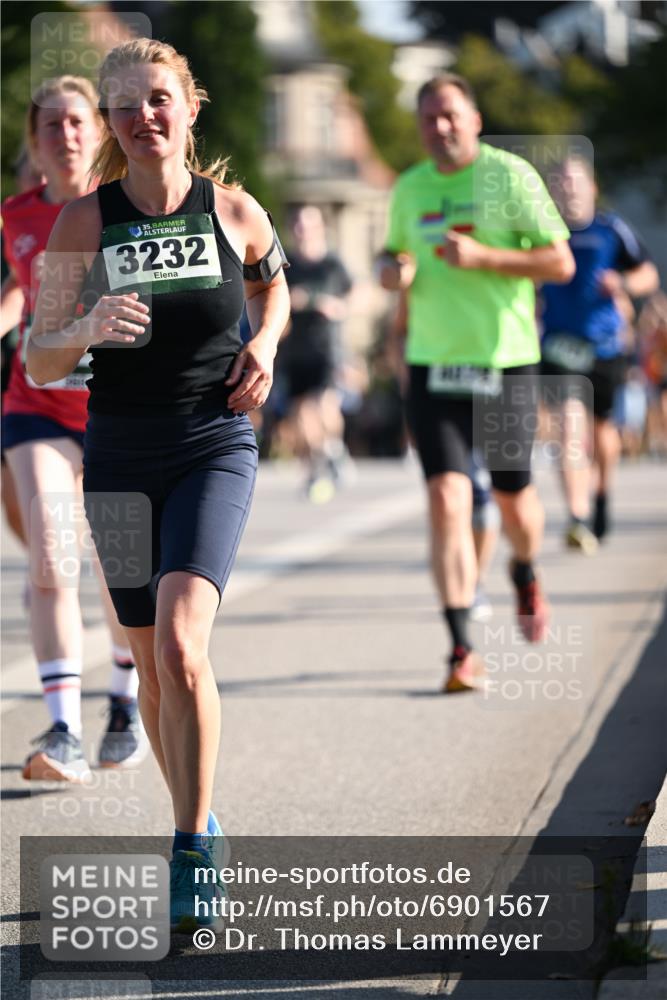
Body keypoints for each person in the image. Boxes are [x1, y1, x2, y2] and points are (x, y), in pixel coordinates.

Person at [26, 39, 290, 932]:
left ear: (189, 106)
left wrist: (263, 344)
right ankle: (200, 816)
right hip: (120, 454)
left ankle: (188, 849)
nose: (144, 117)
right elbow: (40, 355)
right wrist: (86, 324)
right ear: (111, 123)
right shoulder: (83, 224)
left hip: (213, 443)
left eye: (159, 99)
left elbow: (273, 288)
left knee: (180, 646)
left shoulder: (235, 211)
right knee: (147, 661)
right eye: (127, 105)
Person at [378, 74, 575, 693]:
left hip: (505, 362)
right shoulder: (409, 188)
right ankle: (462, 648)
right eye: (429, 118)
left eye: (450, 115)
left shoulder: (510, 177)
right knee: (447, 500)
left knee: (515, 500)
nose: (440, 127)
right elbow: (392, 256)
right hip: (432, 366)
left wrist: (486, 257)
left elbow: (560, 262)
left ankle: (524, 568)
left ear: (475, 119)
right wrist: (392, 271)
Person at [1, 76, 143, 780]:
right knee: (53, 557)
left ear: (100, 131)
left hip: (117, 409)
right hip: (36, 406)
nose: (66, 135)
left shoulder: (126, 209)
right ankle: (62, 730)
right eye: (52, 125)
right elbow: (23, 291)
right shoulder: (16, 215)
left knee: (123, 571)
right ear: (35, 141)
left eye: (78, 122)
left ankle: (124, 702)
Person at [541, 156, 658, 547]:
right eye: (559, 182)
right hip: (558, 344)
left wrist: (622, 283)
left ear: (591, 187)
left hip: (604, 346)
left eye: (573, 181)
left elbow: (648, 274)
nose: (567, 188)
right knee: (567, 427)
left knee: (603, 430)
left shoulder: (611, 229)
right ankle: (577, 515)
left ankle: (602, 494)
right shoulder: (544, 231)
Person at [278, 205, 352, 501]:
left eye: (308, 225)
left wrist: (334, 306)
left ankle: (334, 448)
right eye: (298, 225)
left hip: (327, 347)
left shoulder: (333, 264)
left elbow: (357, 296)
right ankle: (317, 466)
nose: (303, 231)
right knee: (301, 413)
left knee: (325, 405)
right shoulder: (286, 264)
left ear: (320, 227)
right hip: (295, 350)